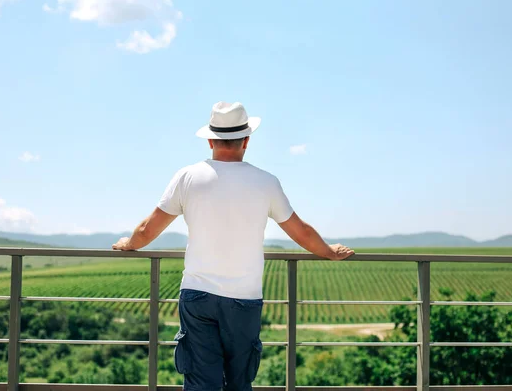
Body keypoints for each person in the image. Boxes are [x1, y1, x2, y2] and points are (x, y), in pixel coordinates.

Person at [112, 101, 354, 390]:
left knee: (202, 381)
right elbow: (300, 231)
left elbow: (147, 229)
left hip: (197, 294)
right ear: (247, 141)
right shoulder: (266, 182)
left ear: (211, 140)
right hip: (245, 299)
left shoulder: (187, 177)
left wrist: (129, 243)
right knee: (239, 381)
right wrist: (329, 251)